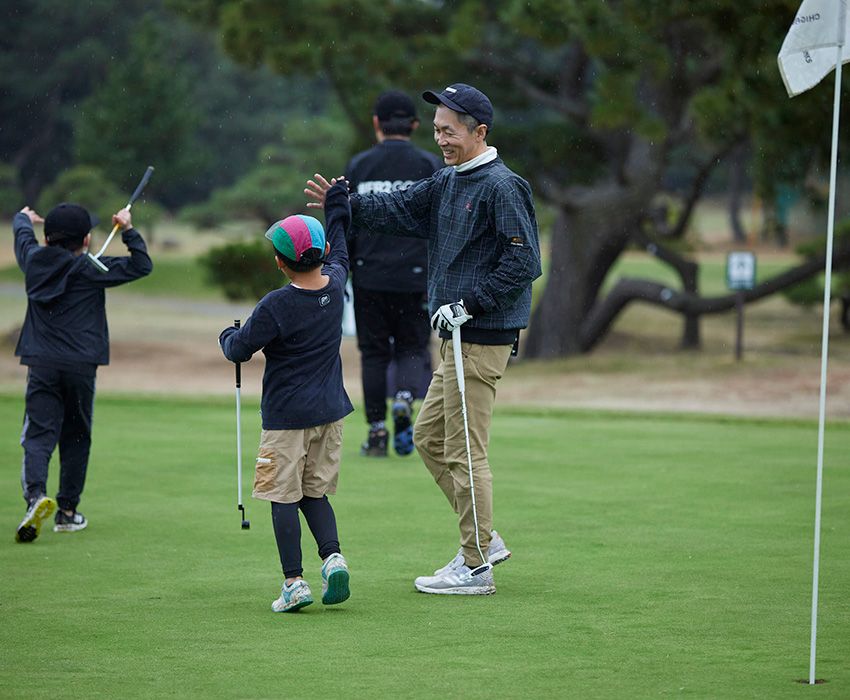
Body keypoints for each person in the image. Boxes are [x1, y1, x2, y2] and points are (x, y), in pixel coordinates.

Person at [305, 83, 542, 596]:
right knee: (432, 438)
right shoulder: (448, 181)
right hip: (455, 338)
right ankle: (486, 537)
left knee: (464, 448)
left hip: (479, 335)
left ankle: (476, 564)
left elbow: (525, 262)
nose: (440, 139)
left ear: (479, 132)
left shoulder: (503, 186)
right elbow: (397, 207)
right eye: (436, 129)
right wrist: (343, 202)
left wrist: (470, 304)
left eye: (449, 131)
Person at [219, 179, 354, 613]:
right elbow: (342, 248)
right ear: (323, 253)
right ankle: (333, 559)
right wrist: (337, 205)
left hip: (285, 418)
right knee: (315, 493)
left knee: (282, 496)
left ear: (281, 262)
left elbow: (239, 349)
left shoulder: (276, 305)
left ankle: (294, 582)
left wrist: (226, 334)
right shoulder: (335, 285)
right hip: (330, 412)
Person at [13, 202, 153, 543]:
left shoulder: (32, 261)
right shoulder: (92, 268)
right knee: (76, 435)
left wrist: (22, 219)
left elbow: (22, 237)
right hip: (80, 365)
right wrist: (128, 230)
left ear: (46, 239)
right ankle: (67, 512)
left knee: (38, 434)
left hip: (42, 363)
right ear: (87, 239)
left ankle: (35, 497)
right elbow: (142, 265)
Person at [345, 90, 443, 458]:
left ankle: (375, 432)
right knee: (412, 347)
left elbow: (346, 222)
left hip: (369, 275)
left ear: (376, 124)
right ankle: (403, 398)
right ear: (415, 125)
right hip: (416, 275)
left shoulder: (359, 166)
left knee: (373, 353)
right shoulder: (430, 166)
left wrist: (347, 267)